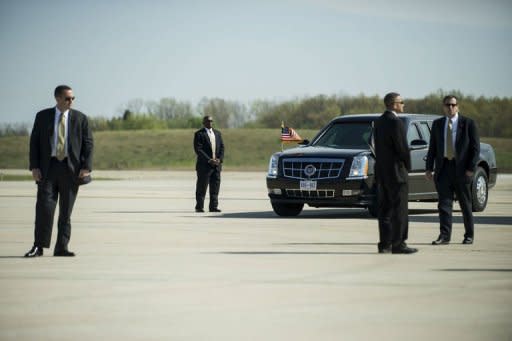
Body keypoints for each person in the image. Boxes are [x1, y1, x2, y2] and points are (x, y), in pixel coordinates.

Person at [24, 85, 93, 257]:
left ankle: (61, 247)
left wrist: (86, 167)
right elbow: (34, 143)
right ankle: (38, 247)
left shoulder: (81, 118)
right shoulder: (43, 116)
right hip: (48, 169)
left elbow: (88, 144)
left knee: (65, 211)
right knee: (44, 209)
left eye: (73, 98)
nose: (71, 102)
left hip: (71, 170)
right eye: (68, 98)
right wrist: (34, 167)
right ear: (58, 99)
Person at [426, 95, 479, 245]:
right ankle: (444, 236)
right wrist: (429, 168)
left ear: (457, 107)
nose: (450, 108)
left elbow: (475, 149)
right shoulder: (437, 124)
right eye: (447, 105)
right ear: (443, 107)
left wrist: (471, 168)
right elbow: (433, 148)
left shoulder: (468, 123)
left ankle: (469, 235)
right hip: (443, 170)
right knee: (444, 205)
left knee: (465, 205)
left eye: (453, 105)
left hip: (462, 170)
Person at [373, 92, 417, 254]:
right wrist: (408, 167)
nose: (403, 104)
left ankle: (384, 244)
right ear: (393, 104)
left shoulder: (378, 122)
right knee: (399, 210)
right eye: (401, 102)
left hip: (382, 172)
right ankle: (399, 244)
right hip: (397, 173)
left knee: (385, 209)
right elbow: (402, 148)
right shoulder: (395, 122)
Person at [193, 115, 225, 212]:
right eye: (208, 121)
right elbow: (198, 149)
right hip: (204, 166)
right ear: (203, 123)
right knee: (202, 187)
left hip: (216, 166)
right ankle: (199, 207)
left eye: (211, 121)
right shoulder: (199, 134)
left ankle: (213, 207)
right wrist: (209, 159)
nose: (210, 122)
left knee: (215, 187)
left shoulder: (217, 134)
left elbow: (222, 147)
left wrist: (219, 159)